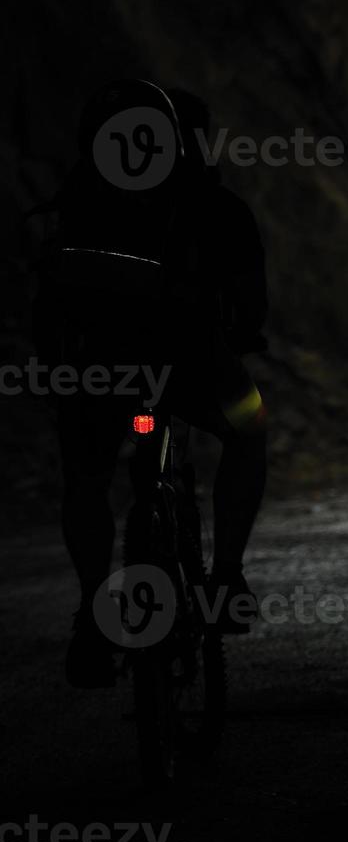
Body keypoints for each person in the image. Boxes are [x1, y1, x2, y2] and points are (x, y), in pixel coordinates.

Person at [36, 79, 269, 688]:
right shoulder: (217, 208)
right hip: (193, 366)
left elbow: (48, 302)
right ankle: (227, 578)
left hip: (99, 373)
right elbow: (250, 307)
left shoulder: (79, 202)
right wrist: (243, 334)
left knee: (86, 481)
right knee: (250, 428)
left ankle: (91, 612)